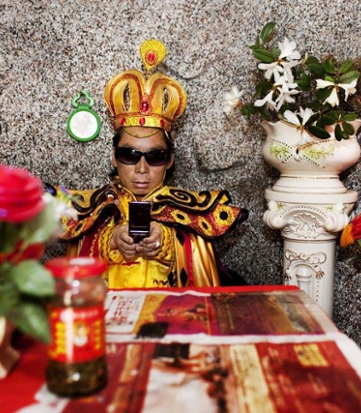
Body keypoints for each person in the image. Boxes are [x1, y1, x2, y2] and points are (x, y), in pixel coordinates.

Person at [52, 40, 248, 289]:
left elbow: (198, 266)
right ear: (114, 157)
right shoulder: (93, 209)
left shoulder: (189, 212)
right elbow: (76, 262)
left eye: (155, 156)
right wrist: (110, 241)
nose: (142, 169)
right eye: (129, 155)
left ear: (170, 160)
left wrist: (165, 242)